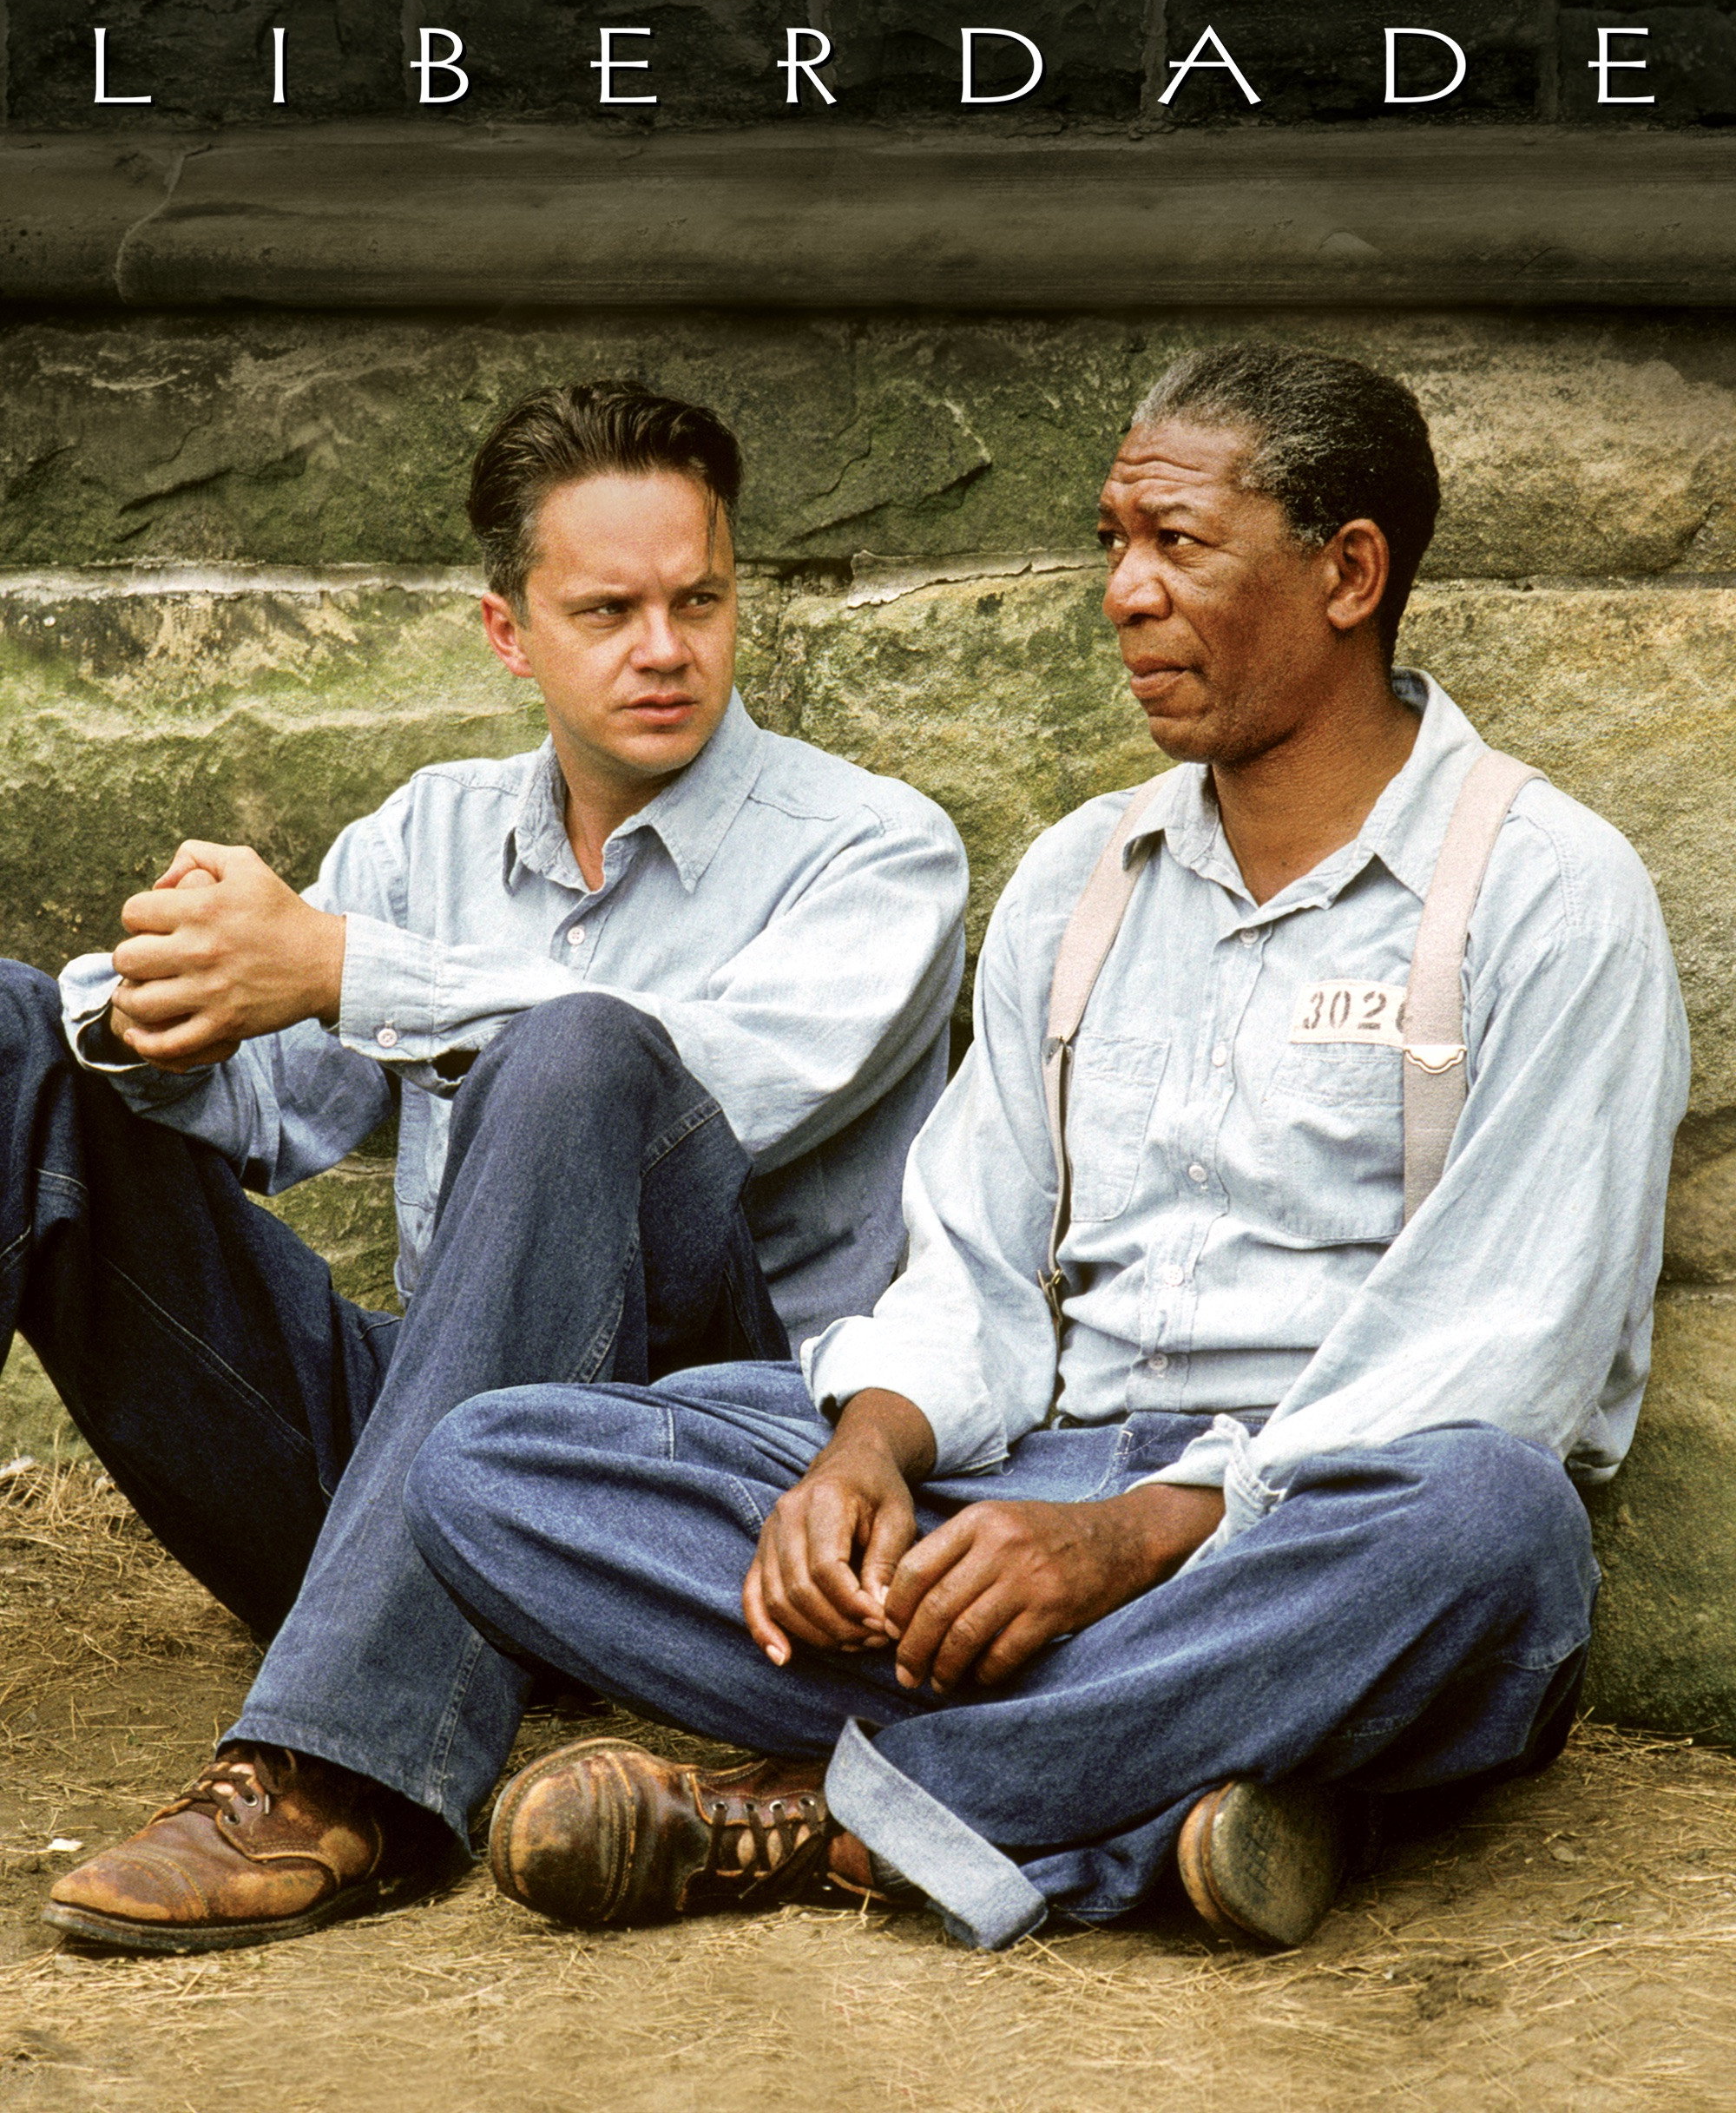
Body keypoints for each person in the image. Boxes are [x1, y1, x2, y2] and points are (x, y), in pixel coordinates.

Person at [404, 342, 1690, 1955]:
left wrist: (1138, 1539)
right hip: (1032, 1481)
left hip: (1319, 1517)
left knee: (1494, 1526)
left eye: (1178, 544)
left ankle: (847, 1815)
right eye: (1113, 544)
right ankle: (1208, 1776)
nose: (1125, 594)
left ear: (1350, 572)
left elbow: (1506, 1358)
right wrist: (870, 1454)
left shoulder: (1550, 892)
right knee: (491, 1468)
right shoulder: (1085, 878)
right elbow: (973, 1261)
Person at [3, 380, 968, 1955]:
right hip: (418, 1470)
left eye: (699, 601)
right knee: (16, 1027)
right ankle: (397, 1629)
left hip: (700, 1500)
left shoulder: (877, 848)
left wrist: (341, 968)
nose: (665, 649)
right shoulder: (426, 838)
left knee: (583, 1054)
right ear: (508, 633)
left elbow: (730, 1077)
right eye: (608, 611)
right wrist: (162, 1004)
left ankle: (342, 1772)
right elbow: (265, 1115)